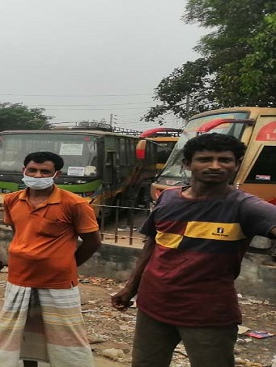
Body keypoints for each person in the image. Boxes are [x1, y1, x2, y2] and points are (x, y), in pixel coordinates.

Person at [111, 133, 276, 367]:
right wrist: (130, 288)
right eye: (205, 159)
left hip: (208, 313)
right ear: (187, 164)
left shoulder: (247, 207)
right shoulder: (168, 198)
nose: (215, 166)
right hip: (153, 305)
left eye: (225, 160)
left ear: (237, 164)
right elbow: (153, 245)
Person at [0, 151, 101, 367]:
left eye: (44, 171)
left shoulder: (75, 204)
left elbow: (93, 242)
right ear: (24, 171)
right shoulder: (12, 200)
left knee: (67, 339)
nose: (38, 175)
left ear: (56, 174)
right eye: (32, 170)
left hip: (58, 283)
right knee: (22, 333)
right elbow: (19, 232)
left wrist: (67, 264)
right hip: (19, 280)